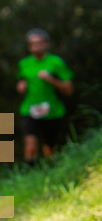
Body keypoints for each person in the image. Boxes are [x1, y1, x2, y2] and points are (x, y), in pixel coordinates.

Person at [16, 28, 73, 165]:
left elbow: (69, 90)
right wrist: (21, 87)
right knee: (30, 144)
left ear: (46, 44)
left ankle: (50, 170)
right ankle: (29, 173)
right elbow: (22, 81)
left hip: (52, 110)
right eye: (32, 44)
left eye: (39, 43)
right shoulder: (24, 64)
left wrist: (50, 79)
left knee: (49, 148)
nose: (35, 46)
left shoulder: (56, 63)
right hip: (30, 109)